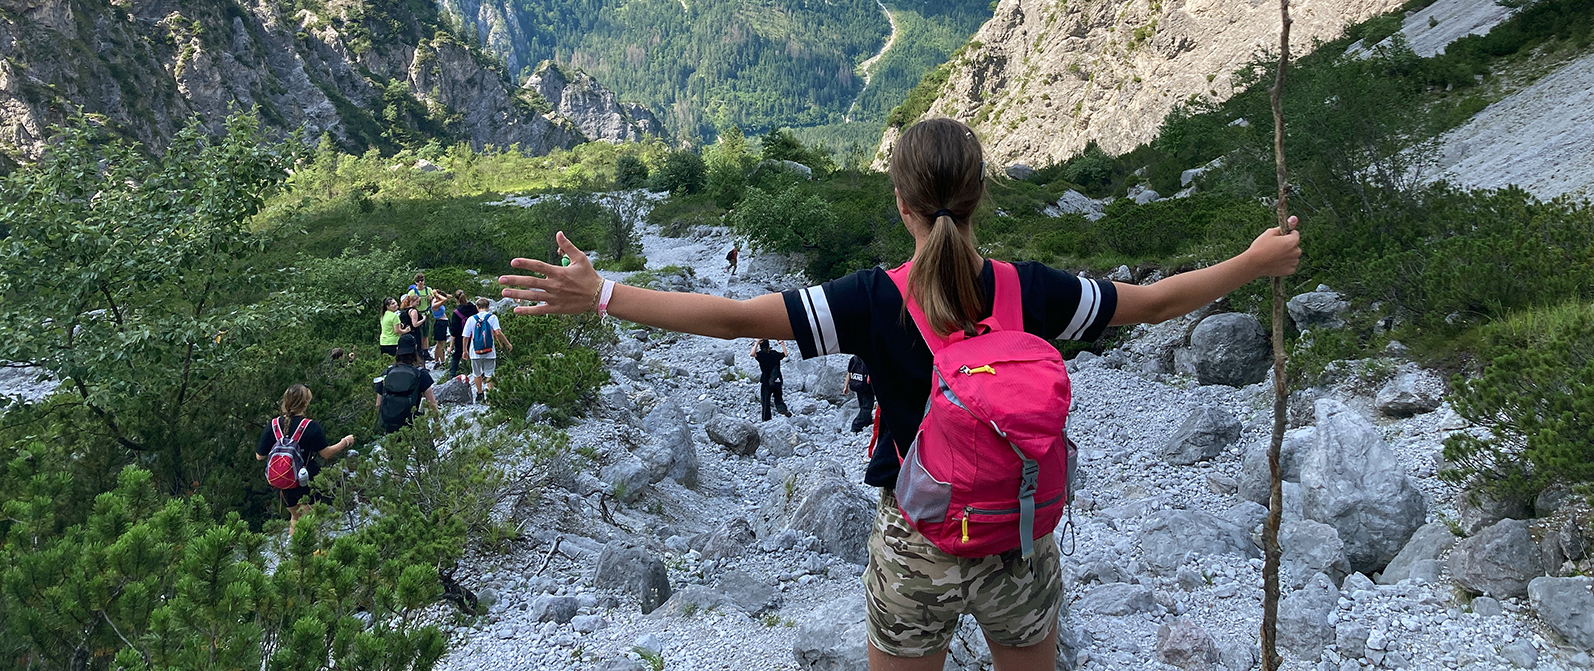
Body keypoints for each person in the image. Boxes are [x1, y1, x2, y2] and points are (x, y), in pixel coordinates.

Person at [500, 116, 1301, 671]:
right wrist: (1253, 261)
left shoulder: (872, 300)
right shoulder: (1034, 291)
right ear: (981, 196)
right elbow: (1152, 301)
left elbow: (731, 317)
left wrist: (603, 294)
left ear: (901, 205)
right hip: (1019, 535)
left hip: (917, 538)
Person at [255, 383, 354, 535]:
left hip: (283, 483)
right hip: (306, 480)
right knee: (310, 519)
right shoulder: (311, 426)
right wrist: (345, 442)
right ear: (306, 402)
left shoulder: (273, 425)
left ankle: (296, 555)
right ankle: (313, 556)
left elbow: (260, 456)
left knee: (295, 517)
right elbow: (326, 454)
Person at [375, 335, 439, 432]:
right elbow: (431, 403)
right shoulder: (421, 374)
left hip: (391, 425)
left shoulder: (386, 373)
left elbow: (378, 404)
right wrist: (437, 426)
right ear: (415, 349)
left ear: (397, 350)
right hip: (413, 424)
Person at [461, 297, 511, 404]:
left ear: (477, 307)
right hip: (489, 351)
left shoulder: (471, 319)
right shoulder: (492, 317)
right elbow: (497, 332)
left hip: (475, 352)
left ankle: (480, 394)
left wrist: (464, 350)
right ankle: (491, 396)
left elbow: (465, 336)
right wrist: (507, 344)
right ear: (488, 307)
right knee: (489, 373)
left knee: (476, 373)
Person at [750, 337, 792, 420]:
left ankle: (766, 419)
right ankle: (782, 410)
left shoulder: (761, 355)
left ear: (761, 346)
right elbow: (785, 354)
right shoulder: (774, 353)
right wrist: (782, 343)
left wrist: (756, 343)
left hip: (766, 380)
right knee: (778, 397)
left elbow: (752, 354)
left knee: (766, 400)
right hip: (776, 379)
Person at [449, 289, 477, 379]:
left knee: (457, 355)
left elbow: (454, 331)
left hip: (460, 338)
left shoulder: (456, 313)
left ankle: (452, 375)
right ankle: (476, 373)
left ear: (456, 300)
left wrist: (450, 345)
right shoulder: (474, 308)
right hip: (474, 336)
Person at [845, 355, 875, 434]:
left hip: (857, 385)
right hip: (867, 387)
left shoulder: (854, 359)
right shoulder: (869, 359)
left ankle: (868, 421)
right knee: (867, 407)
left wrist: (846, 387)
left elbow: (849, 373)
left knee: (862, 404)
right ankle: (856, 426)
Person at [395, 293, 428, 361]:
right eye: (417, 302)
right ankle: (420, 364)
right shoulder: (413, 311)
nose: (418, 303)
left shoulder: (404, 311)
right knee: (418, 349)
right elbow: (415, 324)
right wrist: (423, 319)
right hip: (415, 332)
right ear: (412, 302)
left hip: (406, 332)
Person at [428, 287, 451, 366]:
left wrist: (438, 293)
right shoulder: (435, 305)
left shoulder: (437, 301)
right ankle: (441, 360)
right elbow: (444, 299)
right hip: (440, 323)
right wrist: (436, 294)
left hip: (443, 323)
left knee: (440, 344)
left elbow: (448, 297)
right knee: (440, 344)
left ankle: (438, 360)